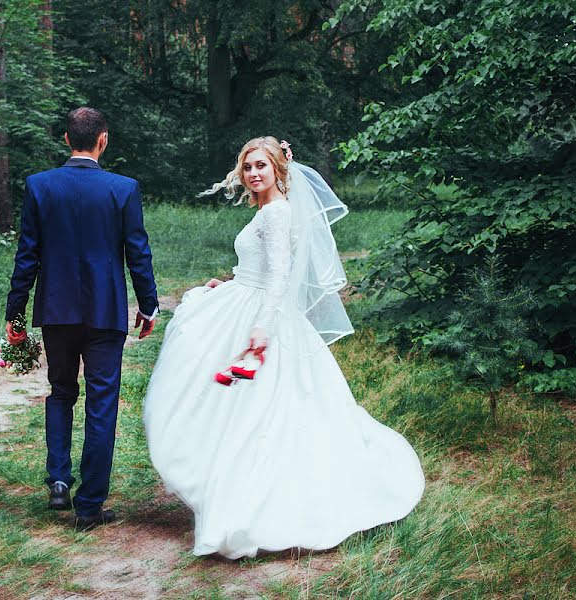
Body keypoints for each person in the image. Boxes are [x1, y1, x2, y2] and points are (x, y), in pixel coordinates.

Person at [142, 136, 424, 559]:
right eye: (248, 167)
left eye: (261, 166)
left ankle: (256, 503)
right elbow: (260, 270)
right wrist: (233, 283)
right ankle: (235, 488)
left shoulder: (275, 213)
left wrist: (260, 329)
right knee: (240, 409)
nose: (253, 173)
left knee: (258, 412)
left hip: (264, 316)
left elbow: (279, 276)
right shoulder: (268, 211)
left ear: (278, 169)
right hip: (250, 300)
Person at [5, 107, 159, 530]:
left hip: (56, 311)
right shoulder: (123, 189)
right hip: (105, 311)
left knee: (59, 392)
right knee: (101, 401)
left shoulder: (39, 186)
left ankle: (58, 479)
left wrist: (14, 313)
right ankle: (89, 505)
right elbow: (137, 251)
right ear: (103, 140)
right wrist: (148, 305)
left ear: (67, 140)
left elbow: (27, 255)